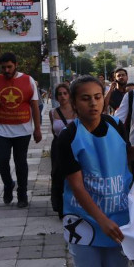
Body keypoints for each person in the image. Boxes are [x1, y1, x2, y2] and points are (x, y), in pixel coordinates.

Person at [56, 76, 134, 267]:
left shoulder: (115, 125)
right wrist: (101, 221)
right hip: (84, 221)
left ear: (104, 99)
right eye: (85, 98)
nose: (93, 103)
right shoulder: (68, 137)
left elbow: (127, 153)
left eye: (97, 97)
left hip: (118, 218)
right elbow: (77, 186)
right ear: (74, 102)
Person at [0, 52, 41, 208]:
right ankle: (8, 184)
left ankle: (22, 194)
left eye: (9, 67)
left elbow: (35, 106)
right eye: (3, 68)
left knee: (20, 162)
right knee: (1, 160)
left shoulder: (28, 80)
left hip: (23, 130)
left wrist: (37, 129)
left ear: (16, 65)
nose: (6, 70)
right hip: (1, 130)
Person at [49, 83, 76, 216]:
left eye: (65, 93)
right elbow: (54, 130)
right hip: (58, 146)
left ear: (70, 95)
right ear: (56, 97)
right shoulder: (53, 112)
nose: (63, 96)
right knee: (57, 174)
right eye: (60, 94)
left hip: (74, 145)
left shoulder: (77, 111)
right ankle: (59, 206)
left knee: (74, 174)